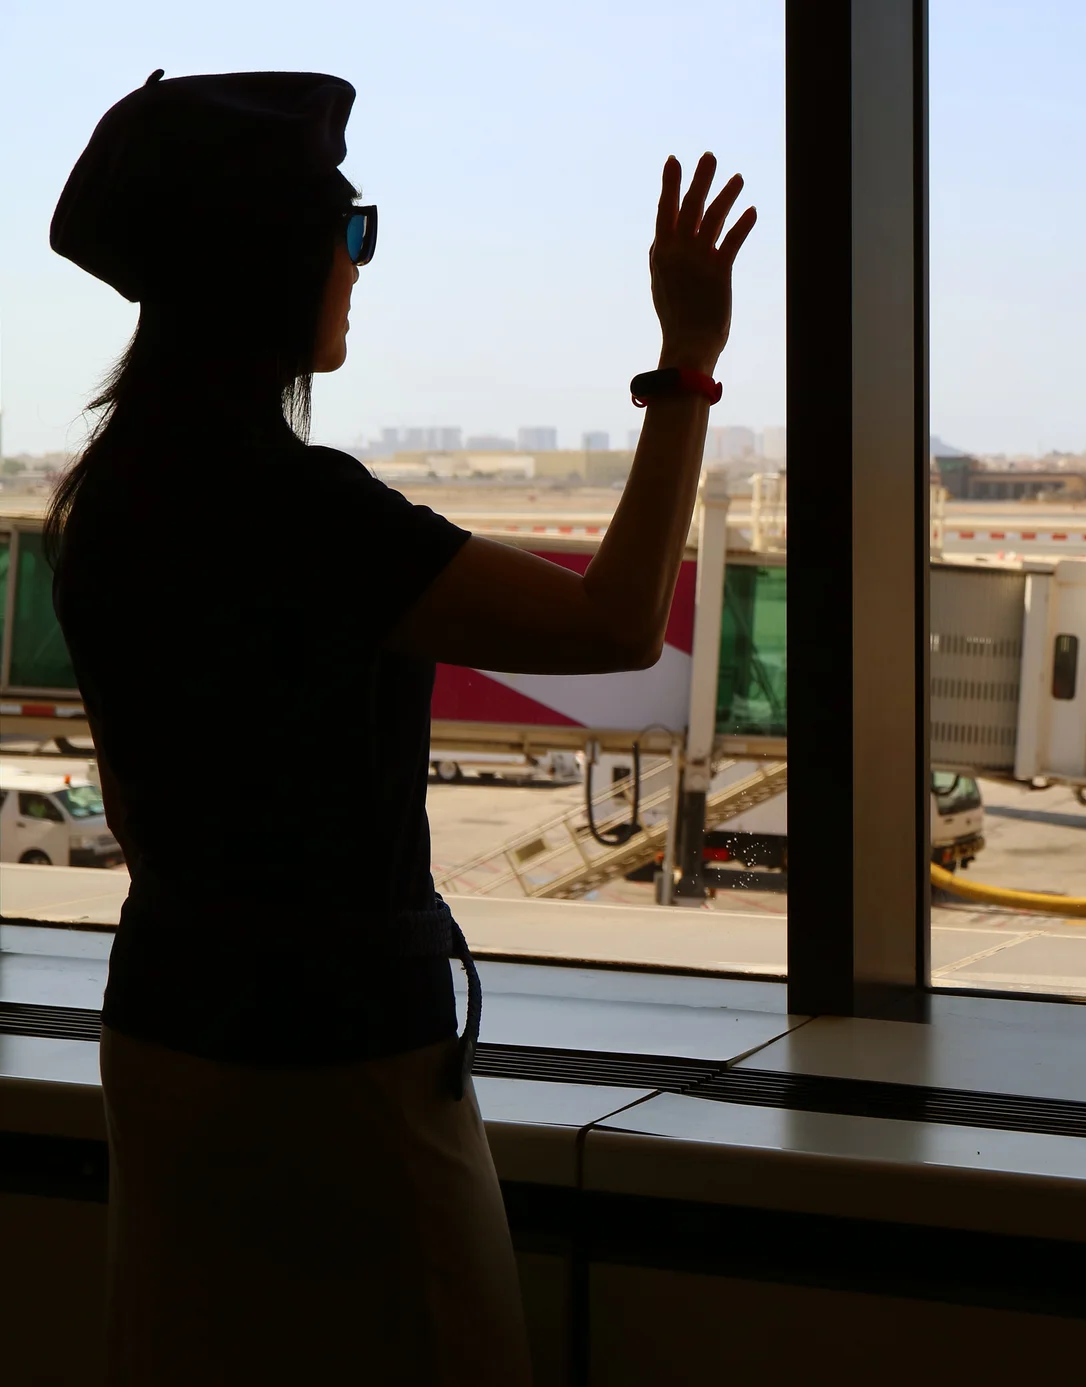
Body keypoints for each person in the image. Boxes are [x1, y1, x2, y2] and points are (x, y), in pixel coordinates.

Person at [46, 70, 753, 1385]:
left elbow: (140, 814)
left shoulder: (108, 505)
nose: (360, 261)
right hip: (339, 1065)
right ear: (269, 259)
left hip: (163, 1034)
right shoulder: (301, 513)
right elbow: (615, 621)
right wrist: (688, 364)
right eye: (351, 226)